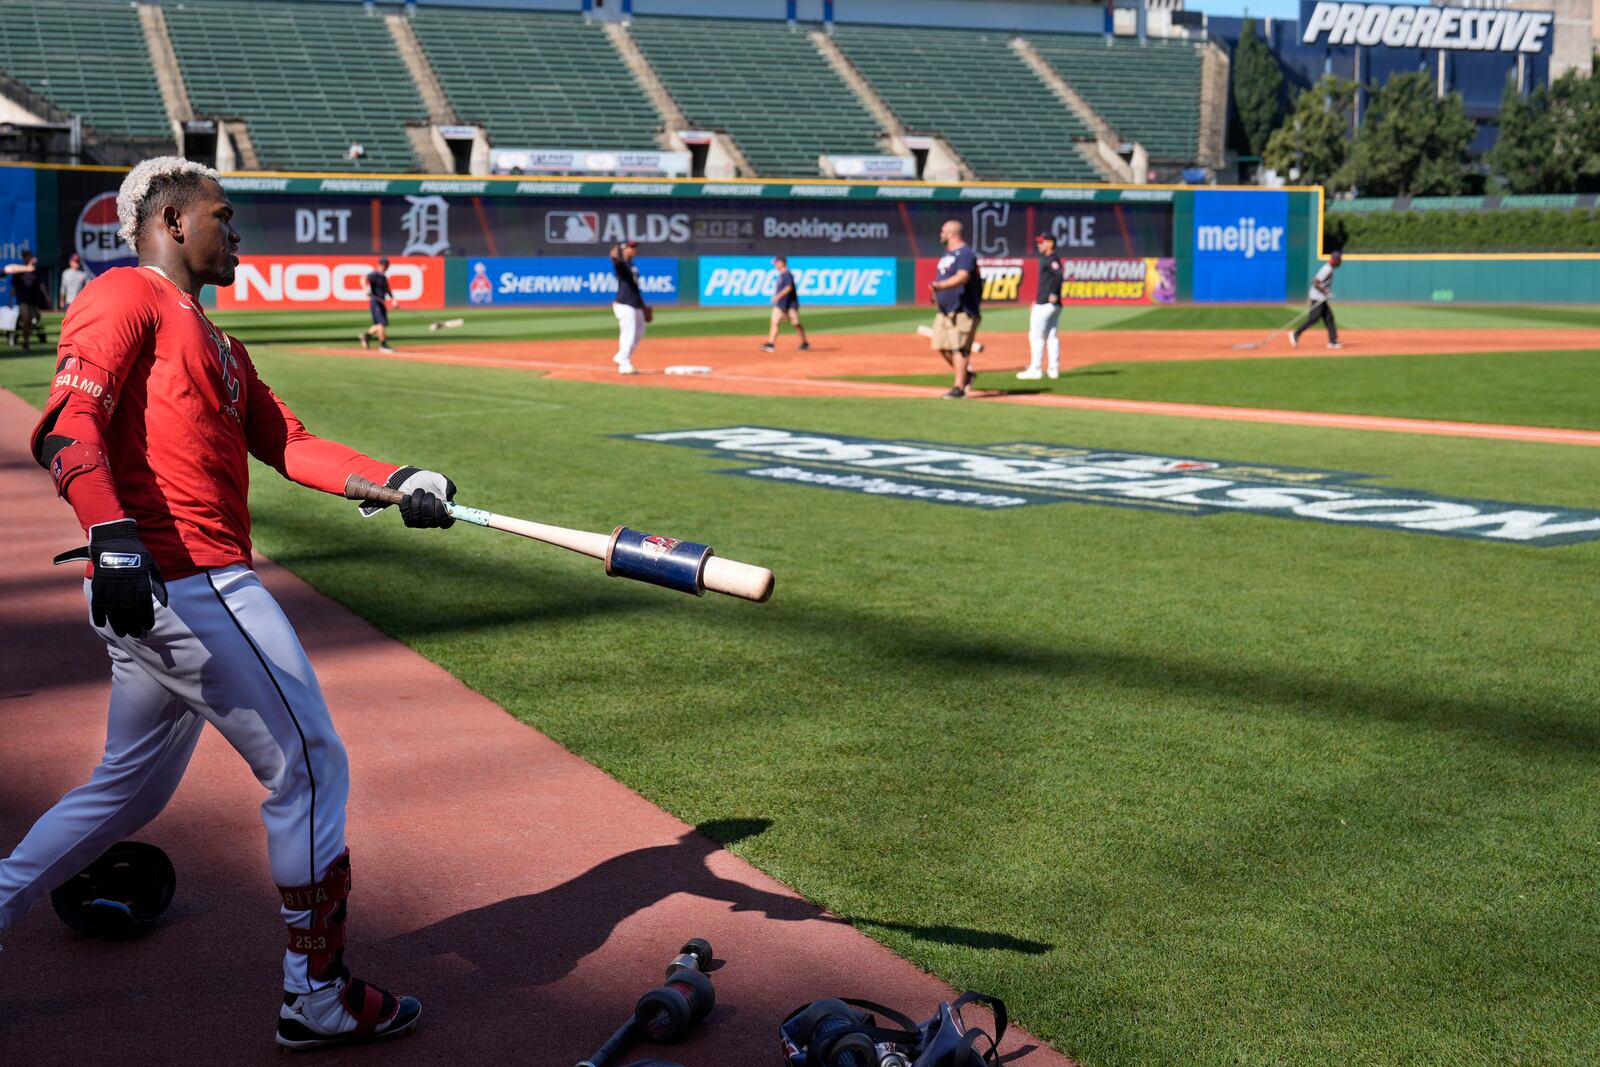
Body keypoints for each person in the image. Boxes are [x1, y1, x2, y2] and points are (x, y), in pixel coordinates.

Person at [2, 157, 446, 1050]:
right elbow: (64, 425)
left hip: (159, 591)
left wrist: (395, 482)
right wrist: (112, 533)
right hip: (183, 577)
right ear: (171, 219)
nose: (236, 232)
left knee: (124, 790)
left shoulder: (219, 344)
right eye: (224, 216)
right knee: (311, 765)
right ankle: (314, 995)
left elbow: (292, 443)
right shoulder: (124, 296)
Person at [928, 219, 982, 399]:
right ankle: (967, 375)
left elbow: (963, 276)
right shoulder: (947, 254)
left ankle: (959, 387)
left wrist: (940, 286)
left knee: (959, 348)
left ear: (951, 233)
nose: (940, 234)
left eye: (943, 231)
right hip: (945, 310)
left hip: (962, 309)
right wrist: (937, 294)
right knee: (941, 345)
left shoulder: (965, 253)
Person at [1017, 233, 1064, 380]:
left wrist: (1054, 293)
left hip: (1046, 304)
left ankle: (1035, 369)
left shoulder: (1051, 259)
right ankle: (1053, 369)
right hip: (1048, 304)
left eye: (1042, 242)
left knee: (1036, 336)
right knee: (1051, 336)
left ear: (1050, 244)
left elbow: (1058, 274)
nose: (1039, 245)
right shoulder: (1050, 258)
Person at [610, 239, 650, 375]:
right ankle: (624, 364)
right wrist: (615, 253)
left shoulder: (633, 266)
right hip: (624, 303)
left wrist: (643, 307)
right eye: (630, 247)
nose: (633, 250)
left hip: (635, 303)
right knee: (628, 334)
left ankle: (621, 356)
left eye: (634, 247)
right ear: (624, 249)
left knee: (639, 333)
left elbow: (635, 288)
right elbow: (615, 260)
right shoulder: (622, 264)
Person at [1291, 249, 1341, 350]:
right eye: (1339, 260)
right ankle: (1296, 333)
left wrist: (1326, 293)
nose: (1340, 262)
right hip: (1317, 297)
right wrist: (1326, 292)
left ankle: (1333, 341)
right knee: (1314, 318)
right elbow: (1315, 282)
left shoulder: (1329, 268)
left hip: (1321, 297)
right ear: (1335, 260)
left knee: (1329, 318)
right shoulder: (1327, 269)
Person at [759, 255, 809, 353]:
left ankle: (804, 342)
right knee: (774, 321)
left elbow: (789, 287)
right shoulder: (781, 275)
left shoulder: (787, 274)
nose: (775, 265)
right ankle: (770, 344)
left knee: (796, 324)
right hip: (780, 305)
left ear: (782, 263)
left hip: (790, 305)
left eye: (776, 262)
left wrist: (778, 296)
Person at [8, 250, 50, 351]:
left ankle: (25, 338)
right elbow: (13, 287)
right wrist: (10, 300)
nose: (29, 258)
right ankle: (25, 342)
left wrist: (47, 296)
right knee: (26, 319)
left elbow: (41, 285)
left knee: (33, 321)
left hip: (33, 300)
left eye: (30, 257)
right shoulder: (19, 271)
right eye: (27, 257)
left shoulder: (36, 271)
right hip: (23, 300)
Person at [359, 257, 395, 353]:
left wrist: (393, 300)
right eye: (386, 265)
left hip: (381, 302)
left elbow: (387, 289)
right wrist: (365, 288)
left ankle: (365, 337)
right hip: (375, 301)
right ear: (381, 265)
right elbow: (363, 278)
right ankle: (383, 345)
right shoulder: (375, 274)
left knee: (380, 324)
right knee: (381, 324)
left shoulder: (383, 277)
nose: (387, 267)